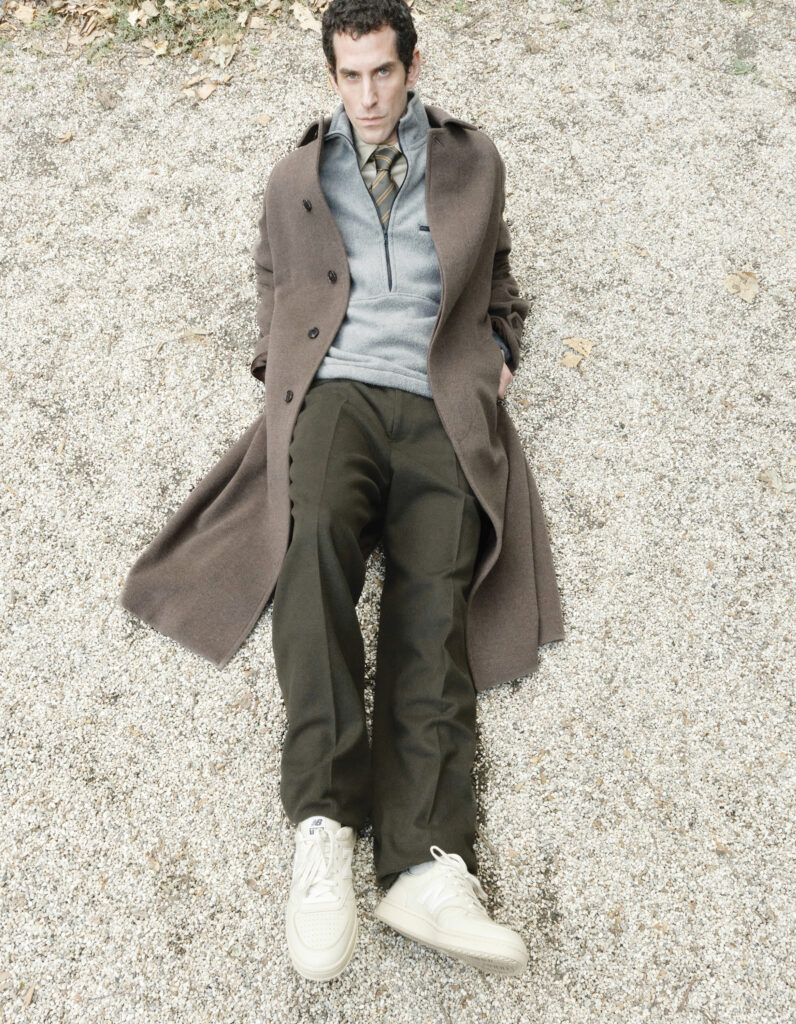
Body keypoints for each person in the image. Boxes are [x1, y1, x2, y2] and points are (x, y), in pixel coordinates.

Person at [118, 0, 565, 987]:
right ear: (332, 75)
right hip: (337, 395)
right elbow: (274, 277)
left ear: (412, 66)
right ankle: (323, 823)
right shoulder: (295, 176)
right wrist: (277, 361)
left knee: (435, 592)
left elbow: (498, 270)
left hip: (442, 399)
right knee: (310, 539)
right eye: (349, 76)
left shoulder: (473, 160)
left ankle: (427, 865)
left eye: (383, 73)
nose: (367, 95)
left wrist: (501, 345)